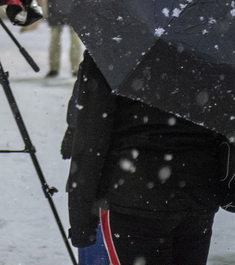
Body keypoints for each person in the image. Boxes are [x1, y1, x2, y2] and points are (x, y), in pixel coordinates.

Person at [67, 51, 226, 265]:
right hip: (196, 190)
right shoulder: (210, 45)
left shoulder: (112, 46)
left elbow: (91, 137)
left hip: (135, 193)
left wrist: (81, 221)